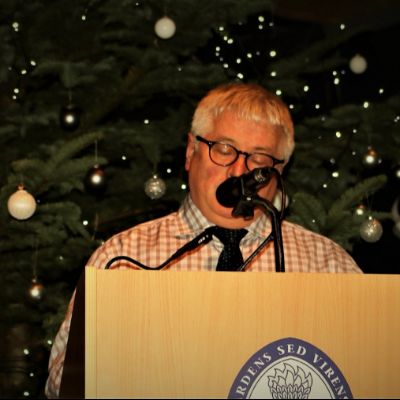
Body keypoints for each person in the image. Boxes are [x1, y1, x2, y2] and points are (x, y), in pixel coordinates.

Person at [45, 82, 362, 398]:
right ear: (190, 151)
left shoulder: (327, 264)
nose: (239, 171)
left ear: (279, 172)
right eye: (224, 149)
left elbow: (365, 375)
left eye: (259, 159)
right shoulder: (123, 258)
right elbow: (63, 384)